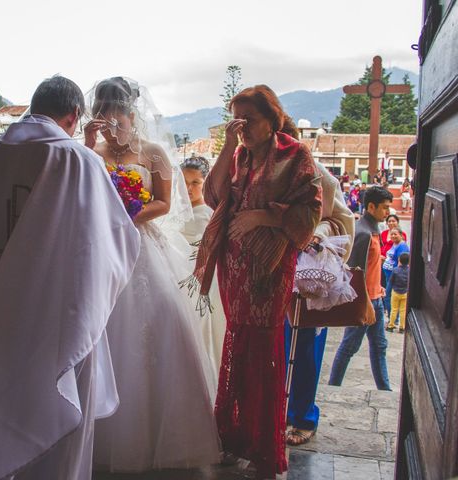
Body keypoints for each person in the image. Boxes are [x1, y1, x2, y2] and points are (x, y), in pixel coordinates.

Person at [0, 76, 141, 480]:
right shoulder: (79, 162)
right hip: (59, 318)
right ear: (73, 116)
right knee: (60, 418)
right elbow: (117, 245)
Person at [84, 77, 220, 473]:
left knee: (161, 317)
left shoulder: (154, 153)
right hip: (102, 247)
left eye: (118, 116)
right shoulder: (93, 153)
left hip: (142, 244)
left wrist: (126, 216)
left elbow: (164, 202)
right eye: (105, 117)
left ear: (132, 115)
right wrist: (91, 150)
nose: (113, 124)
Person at [190, 85, 322, 478]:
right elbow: (214, 196)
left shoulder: (294, 154)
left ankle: (264, 445)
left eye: (249, 120)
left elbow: (312, 208)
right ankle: (233, 437)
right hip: (234, 263)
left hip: (268, 266)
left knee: (263, 347)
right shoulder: (238, 154)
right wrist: (226, 145)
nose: (243, 127)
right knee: (238, 342)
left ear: (273, 119)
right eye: (237, 119)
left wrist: (264, 217)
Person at [285, 160, 355, 447]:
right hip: (270, 266)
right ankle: (275, 412)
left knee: (304, 347)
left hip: (308, 272)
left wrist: (319, 233)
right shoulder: (256, 166)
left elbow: (342, 220)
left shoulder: (318, 175)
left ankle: (303, 416)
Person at [329, 186, 393, 391]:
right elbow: (356, 272)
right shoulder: (363, 232)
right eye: (384, 208)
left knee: (379, 346)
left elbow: (373, 267)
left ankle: (385, 389)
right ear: (371, 207)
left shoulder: (374, 231)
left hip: (376, 298)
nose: (387, 212)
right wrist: (362, 301)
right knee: (349, 346)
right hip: (364, 300)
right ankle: (333, 385)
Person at [180, 155, 226, 386]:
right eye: (185, 181)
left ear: (205, 183)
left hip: (201, 278)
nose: (188, 189)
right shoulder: (177, 210)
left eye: (195, 183)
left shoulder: (208, 213)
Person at [382, 227, 409, 319]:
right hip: (388, 273)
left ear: (401, 235)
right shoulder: (395, 244)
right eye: (392, 234)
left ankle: (393, 319)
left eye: (395, 234)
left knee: (389, 296)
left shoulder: (402, 246)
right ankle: (392, 318)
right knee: (388, 295)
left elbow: (401, 263)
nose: (393, 236)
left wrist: (396, 275)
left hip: (394, 276)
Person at [387, 252, 409, 333]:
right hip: (405, 293)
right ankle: (402, 327)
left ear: (399, 260)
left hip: (396, 292)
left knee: (394, 309)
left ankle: (391, 325)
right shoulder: (409, 271)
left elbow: (391, 281)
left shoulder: (395, 270)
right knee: (403, 311)